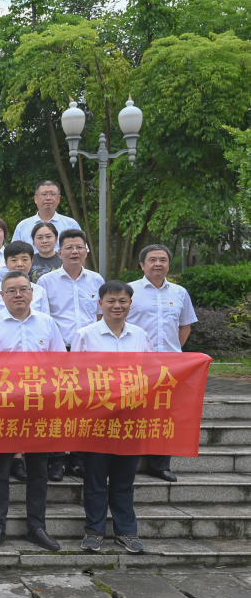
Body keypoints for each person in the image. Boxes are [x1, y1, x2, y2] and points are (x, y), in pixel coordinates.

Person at [0, 270, 66, 552]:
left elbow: (60, 364)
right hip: (4, 405)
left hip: (39, 406)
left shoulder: (47, 323)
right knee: (0, 470)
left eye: (23, 289)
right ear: (2, 295)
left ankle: (37, 527)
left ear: (32, 293)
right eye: (11, 291)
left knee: (38, 470)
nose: (18, 295)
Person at [72, 280, 156, 554]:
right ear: (101, 304)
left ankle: (126, 531)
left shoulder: (140, 336)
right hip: (97, 418)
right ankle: (94, 531)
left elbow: (151, 372)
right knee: (95, 478)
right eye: (111, 301)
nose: (117, 306)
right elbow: (75, 376)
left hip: (130, 419)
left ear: (131, 304)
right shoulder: (85, 335)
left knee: (124, 479)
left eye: (122, 301)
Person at [35, 228, 104, 481]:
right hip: (59, 351)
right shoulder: (46, 282)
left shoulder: (97, 280)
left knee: (85, 405)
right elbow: (43, 319)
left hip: (89, 352)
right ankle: (56, 460)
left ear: (86, 251)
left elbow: (100, 316)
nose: (74, 252)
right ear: (60, 252)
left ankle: (78, 458)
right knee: (57, 406)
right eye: (69, 248)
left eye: (79, 247)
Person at [127, 244, 197, 482]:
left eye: (163, 260)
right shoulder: (129, 290)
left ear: (168, 264)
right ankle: (126, 460)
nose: (158, 264)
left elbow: (185, 325)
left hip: (169, 366)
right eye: (152, 259)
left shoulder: (179, 292)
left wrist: (172, 351)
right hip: (136, 363)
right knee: (132, 411)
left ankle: (159, 465)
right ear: (142, 265)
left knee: (163, 415)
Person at [0, 241, 50, 320]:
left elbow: (45, 321)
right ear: (6, 263)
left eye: (24, 260)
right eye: (14, 260)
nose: (20, 264)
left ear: (31, 262)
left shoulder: (40, 291)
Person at [11, 180, 82, 246]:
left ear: (59, 198)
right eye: (44, 194)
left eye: (53, 194)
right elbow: (13, 252)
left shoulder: (71, 224)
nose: (48, 198)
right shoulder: (23, 226)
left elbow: (81, 251)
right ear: (35, 199)